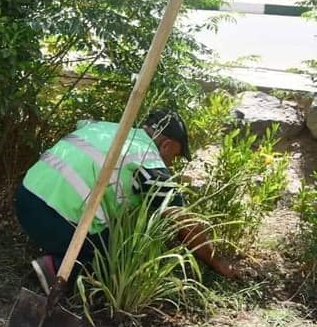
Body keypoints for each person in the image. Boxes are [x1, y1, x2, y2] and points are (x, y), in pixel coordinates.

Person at [14, 109, 235, 294]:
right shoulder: (148, 159)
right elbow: (184, 223)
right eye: (173, 157)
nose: (170, 164)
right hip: (55, 217)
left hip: (25, 197)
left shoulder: (104, 128)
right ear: (166, 145)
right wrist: (217, 262)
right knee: (119, 260)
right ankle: (55, 266)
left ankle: (54, 248)